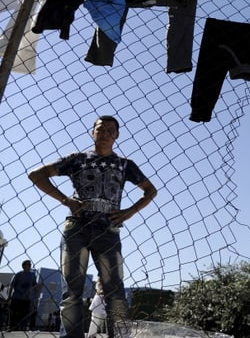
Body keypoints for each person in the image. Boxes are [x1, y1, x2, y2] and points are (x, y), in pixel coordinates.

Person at [28, 115, 157, 338]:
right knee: (73, 291)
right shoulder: (77, 159)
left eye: (110, 130)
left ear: (117, 135)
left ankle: (118, 335)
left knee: (115, 290)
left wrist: (129, 212)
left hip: (108, 231)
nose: (104, 133)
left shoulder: (125, 165)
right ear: (92, 132)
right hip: (77, 228)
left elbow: (150, 191)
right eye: (100, 129)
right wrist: (65, 200)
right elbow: (36, 175)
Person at [7, 259, 38, 331]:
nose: (28, 266)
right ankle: (11, 326)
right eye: (26, 265)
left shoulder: (32, 275)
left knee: (24, 314)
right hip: (17, 297)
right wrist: (9, 296)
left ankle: (21, 327)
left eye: (29, 265)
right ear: (23, 266)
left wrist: (37, 291)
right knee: (13, 313)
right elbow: (11, 286)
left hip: (27, 298)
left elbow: (34, 285)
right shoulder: (18, 274)